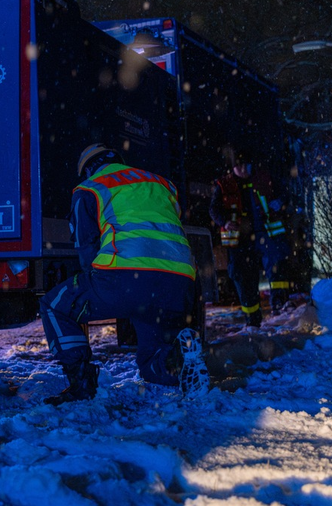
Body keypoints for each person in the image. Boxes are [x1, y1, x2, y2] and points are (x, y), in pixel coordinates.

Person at [39, 144, 210, 405]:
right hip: (179, 280)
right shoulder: (161, 183)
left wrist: (104, 290)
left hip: (125, 276)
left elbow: (87, 250)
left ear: (88, 169)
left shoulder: (90, 188)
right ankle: (178, 358)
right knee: (150, 362)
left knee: (54, 305)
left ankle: (81, 383)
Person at [209, 150, 292, 327]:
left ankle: (280, 305)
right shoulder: (224, 185)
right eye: (239, 165)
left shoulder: (263, 178)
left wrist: (280, 202)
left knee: (276, 265)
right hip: (240, 241)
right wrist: (225, 222)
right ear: (232, 167)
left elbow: (284, 194)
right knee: (243, 277)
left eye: (247, 164)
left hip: (266, 232)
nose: (244, 169)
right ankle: (252, 320)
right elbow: (214, 210)